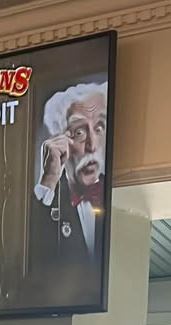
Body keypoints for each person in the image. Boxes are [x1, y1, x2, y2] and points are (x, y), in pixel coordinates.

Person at [32, 81, 108, 263]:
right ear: (60, 141)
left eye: (99, 128)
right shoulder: (47, 202)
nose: (92, 146)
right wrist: (49, 179)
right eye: (79, 132)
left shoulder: (115, 195)